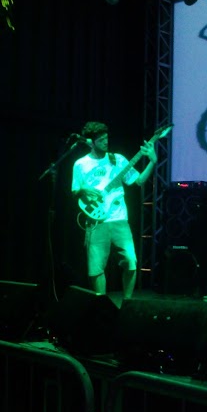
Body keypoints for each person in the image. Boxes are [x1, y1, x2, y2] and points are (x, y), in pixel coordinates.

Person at [71, 121, 158, 301]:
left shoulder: (117, 160)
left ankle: (127, 303)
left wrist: (152, 161)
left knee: (131, 262)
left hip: (119, 219)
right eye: (101, 139)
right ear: (91, 142)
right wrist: (84, 189)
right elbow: (74, 190)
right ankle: (100, 305)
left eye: (106, 138)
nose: (106, 142)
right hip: (96, 221)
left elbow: (139, 181)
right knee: (96, 268)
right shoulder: (80, 164)